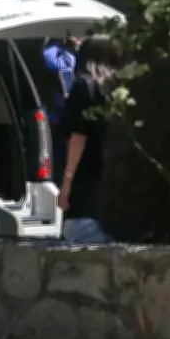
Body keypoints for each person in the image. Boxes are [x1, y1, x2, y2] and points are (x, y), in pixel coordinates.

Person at [57, 34, 122, 243]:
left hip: (85, 184)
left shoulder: (84, 86)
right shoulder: (118, 89)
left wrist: (66, 184)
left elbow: (78, 137)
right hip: (113, 182)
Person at [42, 35, 81, 184]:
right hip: (55, 115)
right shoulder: (53, 54)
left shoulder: (66, 54)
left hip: (61, 114)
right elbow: (59, 67)